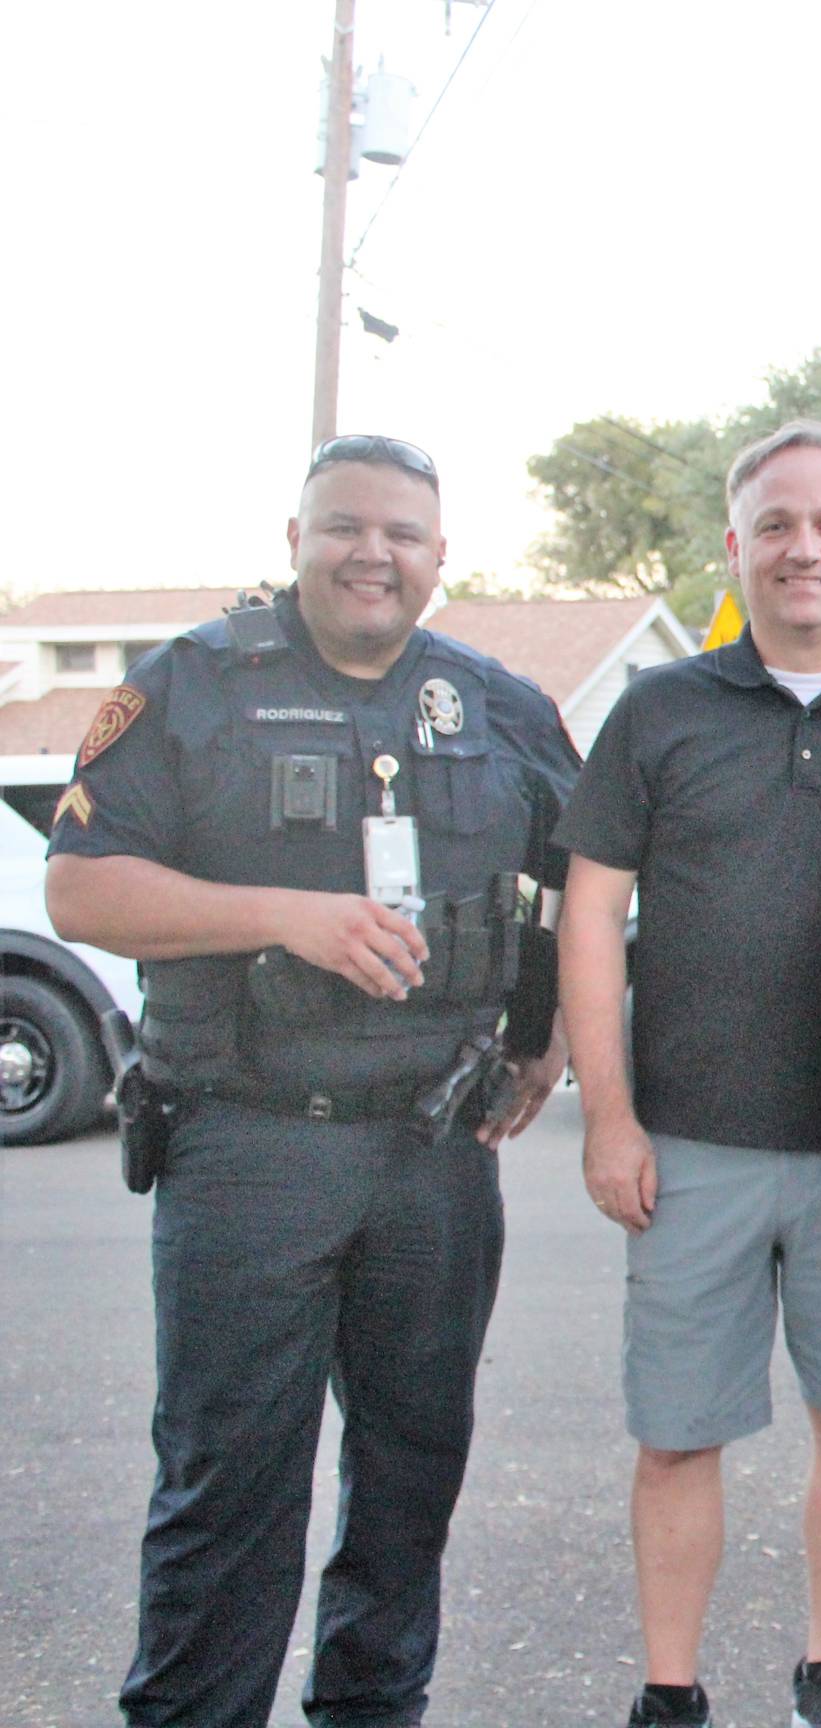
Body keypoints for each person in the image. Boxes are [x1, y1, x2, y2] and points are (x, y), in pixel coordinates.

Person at [44, 435, 581, 1728]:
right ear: (293, 540)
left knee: (409, 1487)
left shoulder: (500, 705)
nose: (371, 555)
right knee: (229, 1492)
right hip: (247, 1146)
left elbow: (582, 877)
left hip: (433, 1156)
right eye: (344, 527)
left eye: (402, 534)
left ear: (442, 558)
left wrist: (544, 1043)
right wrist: (287, 913)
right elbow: (80, 887)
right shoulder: (196, 685)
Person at [556, 421, 821, 1728]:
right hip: (689, 1147)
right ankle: (671, 1691)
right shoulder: (659, 711)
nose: (804, 547)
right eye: (777, 523)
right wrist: (607, 1118)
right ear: (736, 545)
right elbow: (589, 919)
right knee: (676, 1435)